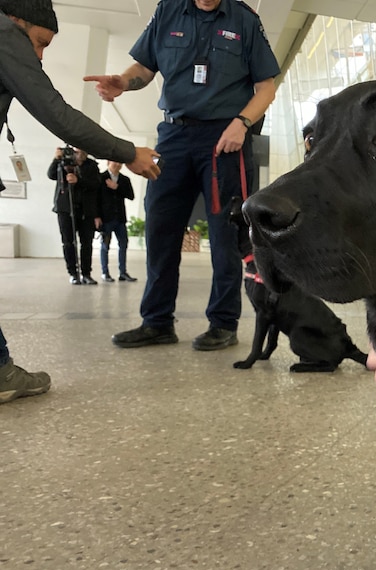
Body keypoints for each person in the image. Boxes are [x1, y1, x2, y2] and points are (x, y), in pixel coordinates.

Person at [87, 0, 280, 351]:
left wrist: (243, 124)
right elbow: (145, 69)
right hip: (174, 136)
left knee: (225, 234)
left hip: (225, 139)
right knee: (161, 229)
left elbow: (266, 86)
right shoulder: (168, 11)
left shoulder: (245, 20)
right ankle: (157, 322)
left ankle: (223, 322)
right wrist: (122, 82)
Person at [0, 0, 160, 404]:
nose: (37, 55)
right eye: (39, 42)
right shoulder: (4, 33)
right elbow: (57, 114)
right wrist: (127, 151)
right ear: (17, 20)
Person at [47, 147, 102, 285]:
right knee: (68, 242)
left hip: (86, 210)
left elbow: (96, 184)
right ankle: (73, 273)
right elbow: (51, 175)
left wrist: (78, 180)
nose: (78, 154)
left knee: (87, 243)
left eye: (81, 151)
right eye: (76, 151)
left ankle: (86, 273)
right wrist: (56, 159)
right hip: (65, 209)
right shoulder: (62, 163)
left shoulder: (91, 165)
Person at [98, 160, 137, 282]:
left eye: (120, 163)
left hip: (120, 218)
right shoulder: (100, 178)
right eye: (115, 162)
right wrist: (97, 217)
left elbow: (131, 195)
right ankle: (105, 273)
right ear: (108, 163)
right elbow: (95, 199)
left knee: (123, 244)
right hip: (106, 218)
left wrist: (117, 188)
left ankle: (123, 272)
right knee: (105, 246)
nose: (117, 165)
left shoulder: (125, 180)